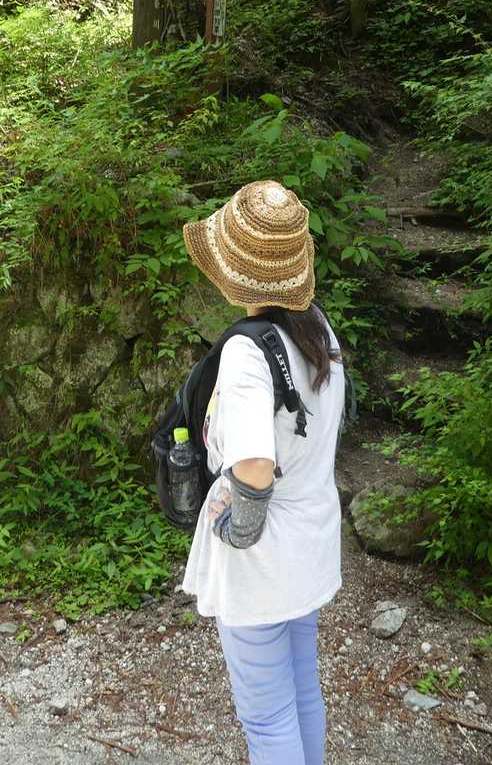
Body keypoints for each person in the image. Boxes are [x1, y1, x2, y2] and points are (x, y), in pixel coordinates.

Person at [179, 179, 346, 765]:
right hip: (311, 540)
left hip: (264, 557)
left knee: (267, 715)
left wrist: (235, 531)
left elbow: (253, 464)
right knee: (302, 690)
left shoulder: (247, 351)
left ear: (233, 272)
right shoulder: (317, 330)